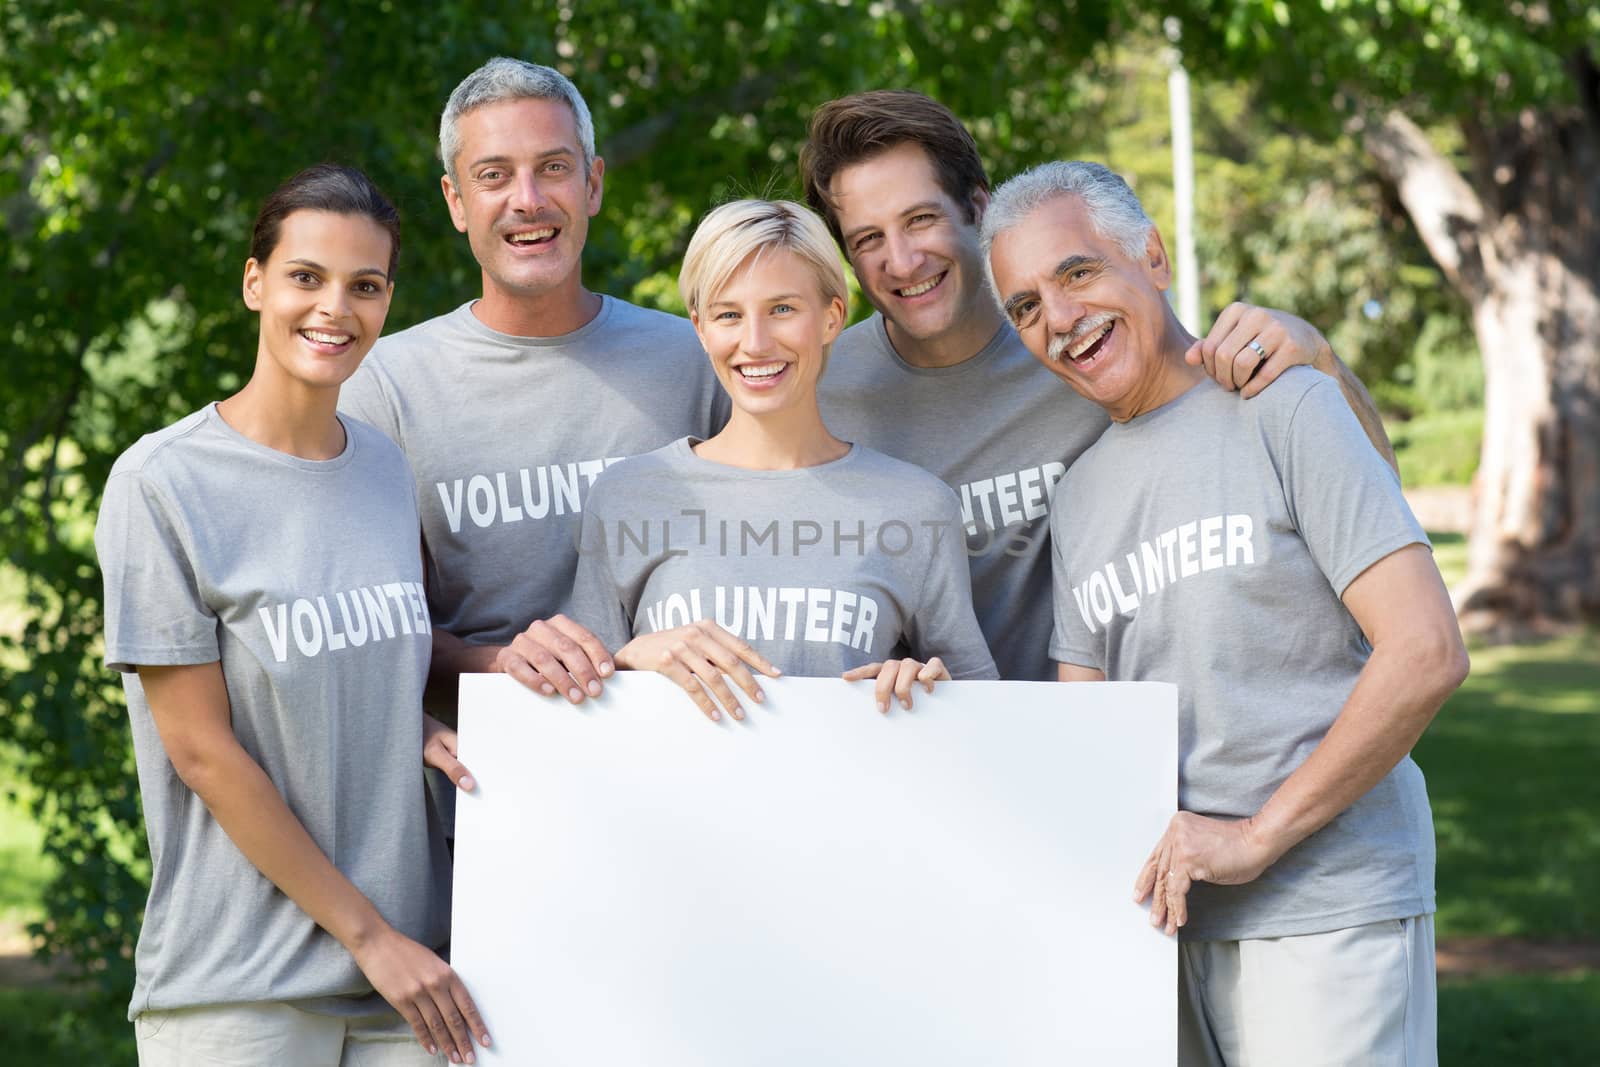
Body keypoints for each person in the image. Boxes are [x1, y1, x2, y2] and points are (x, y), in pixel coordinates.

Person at [981, 160, 1469, 1065]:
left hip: (1329, 912)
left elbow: (1427, 650)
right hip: (1167, 937)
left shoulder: (1284, 404)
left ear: (1154, 257)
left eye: (1077, 273)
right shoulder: (1080, 496)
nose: (1058, 318)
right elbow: (1088, 735)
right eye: (1024, 306)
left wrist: (1255, 837)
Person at [94, 165, 488, 1065]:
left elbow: (364, 652)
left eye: (365, 285)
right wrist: (370, 937)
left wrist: (412, 723)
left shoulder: (387, 469)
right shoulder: (163, 482)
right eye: (306, 277)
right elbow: (201, 749)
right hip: (243, 985)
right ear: (254, 283)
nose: (334, 308)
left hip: (413, 980)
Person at [800, 90, 1395, 681]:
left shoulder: (1092, 348)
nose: (901, 262)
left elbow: (1369, 504)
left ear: (978, 209)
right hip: (924, 735)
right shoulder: (820, 395)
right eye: (868, 239)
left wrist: (1318, 358)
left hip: (1113, 733)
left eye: (920, 219)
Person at [340, 58, 726, 712]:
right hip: (485, 791)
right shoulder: (383, 389)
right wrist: (497, 663)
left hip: (685, 761)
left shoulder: (700, 360)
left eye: (553, 167)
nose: (529, 199)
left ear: (593, 184)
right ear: (456, 202)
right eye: (494, 176)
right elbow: (364, 627)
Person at [568, 199, 998, 720]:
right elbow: (581, 710)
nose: (755, 342)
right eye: (729, 315)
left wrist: (928, 690)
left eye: (783, 310)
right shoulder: (627, 496)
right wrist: (630, 660)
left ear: (832, 317)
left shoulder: (917, 505)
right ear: (701, 329)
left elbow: (982, 711)